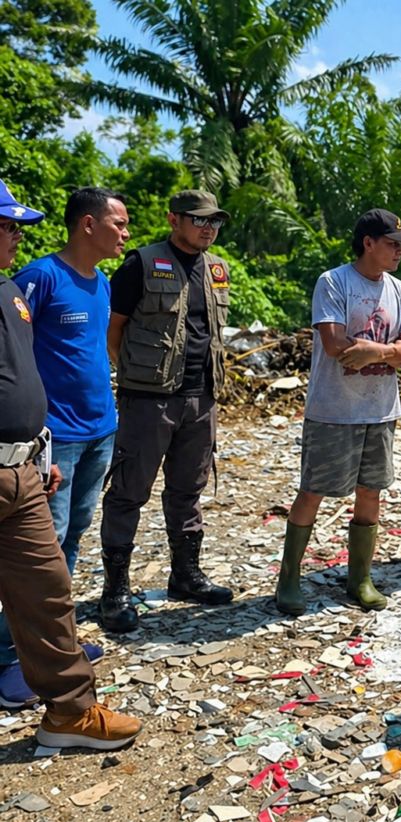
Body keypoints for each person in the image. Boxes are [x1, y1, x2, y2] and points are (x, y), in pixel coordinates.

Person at [0, 177, 141, 748]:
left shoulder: (101, 282)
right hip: (54, 440)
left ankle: (53, 650)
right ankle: (14, 658)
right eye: (118, 223)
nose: (125, 234)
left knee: (68, 541)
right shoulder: (38, 279)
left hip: (86, 433)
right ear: (88, 224)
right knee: (42, 551)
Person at [99, 190, 234, 633]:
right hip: (148, 400)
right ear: (174, 219)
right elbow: (114, 330)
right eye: (200, 220)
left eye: (215, 221)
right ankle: (115, 591)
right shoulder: (140, 263)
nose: (208, 228)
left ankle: (185, 575)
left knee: (188, 490)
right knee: (128, 492)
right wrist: (134, 376)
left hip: (201, 398)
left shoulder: (217, 269)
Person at [275, 209, 401, 614]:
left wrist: (375, 351)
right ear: (368, 243)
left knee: (371, 492)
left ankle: (359, 578)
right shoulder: (334, 282)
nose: (399, 252)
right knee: (313, 491)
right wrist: (390, 352)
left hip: (380, 410)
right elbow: (335, 344)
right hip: (334, 410)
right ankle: (289, 578)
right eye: (391, 244)